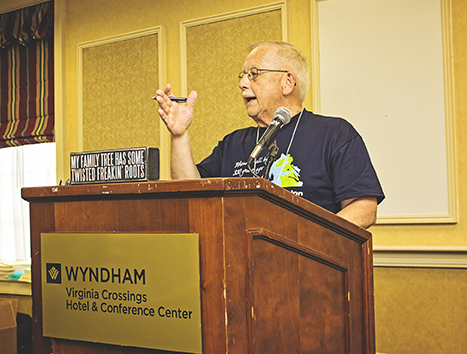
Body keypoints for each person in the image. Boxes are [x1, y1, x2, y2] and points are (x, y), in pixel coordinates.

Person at [155, 41, 384, 229]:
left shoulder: (334, 134)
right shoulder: (233, 143)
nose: (242, 83)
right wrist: (179, 135)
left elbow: (364, 208)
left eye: (254, 74)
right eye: (243, 75)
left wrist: (310, 239)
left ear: (288, 82)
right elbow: (191, 194)